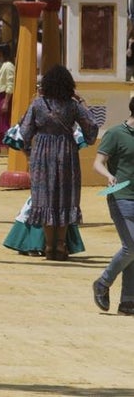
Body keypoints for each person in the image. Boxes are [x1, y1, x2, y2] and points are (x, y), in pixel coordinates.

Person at [17, 65, 98, 260]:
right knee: (65, 196)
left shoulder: (37, 105)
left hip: (42, 153)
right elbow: (92, 129)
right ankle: (61, 245)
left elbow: (24, 132)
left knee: (44, 197)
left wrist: (29, 152)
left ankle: (48, 245)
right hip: (66, 153)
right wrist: (82, 101)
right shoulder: (72, 106)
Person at [91, 97, 134, 314]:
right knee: (132, 246)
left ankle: (127, 301)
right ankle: (103, 282)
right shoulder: (116, 133)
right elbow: (98, 162)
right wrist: (108, 175)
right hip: (121, 197)